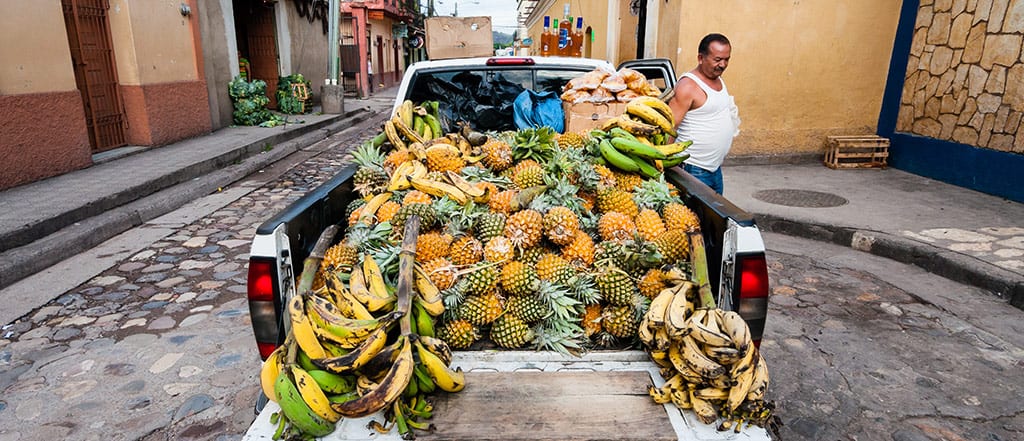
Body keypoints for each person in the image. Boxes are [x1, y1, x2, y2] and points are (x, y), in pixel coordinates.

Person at [668, 33, 739, 195]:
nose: (723, 65)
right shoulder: (688, 86)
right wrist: (665, 168)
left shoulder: (719, 80)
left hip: (715, 169)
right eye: (717, 59)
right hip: (693, 169)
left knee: (715, 212)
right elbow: (670, 127)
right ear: (701, 58)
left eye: (726, 59)